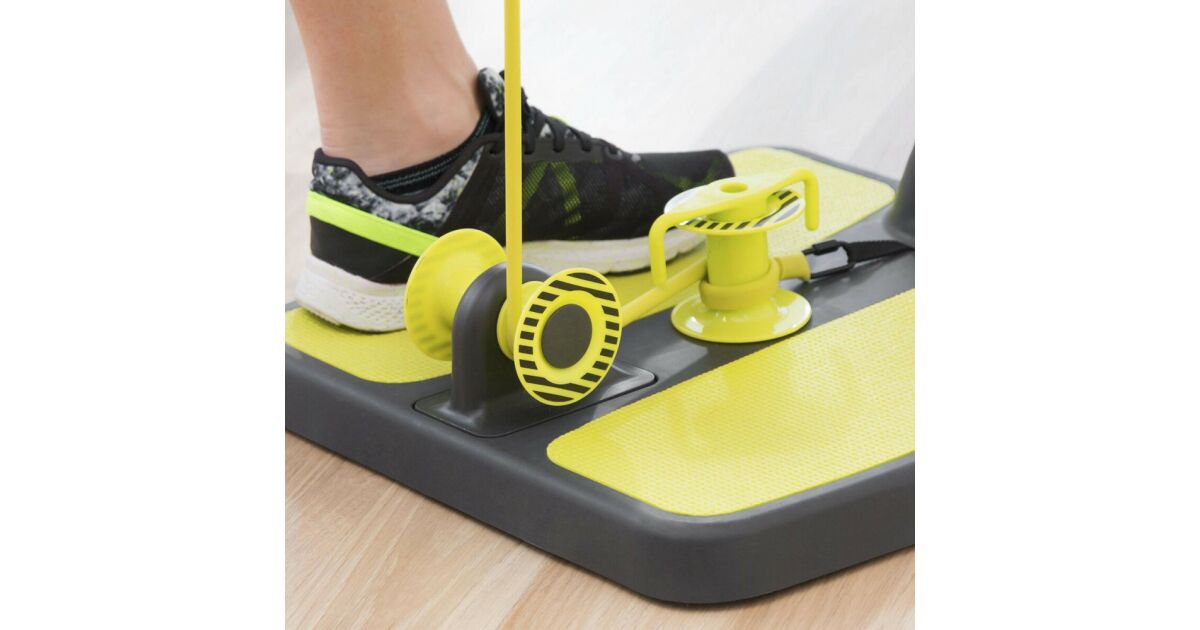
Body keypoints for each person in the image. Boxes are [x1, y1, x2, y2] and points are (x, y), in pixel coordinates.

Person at [290, 0, 733, 331]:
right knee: (428, 128)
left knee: (391, 126)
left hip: (352, 212)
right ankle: (440, 149)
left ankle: (400, 163)